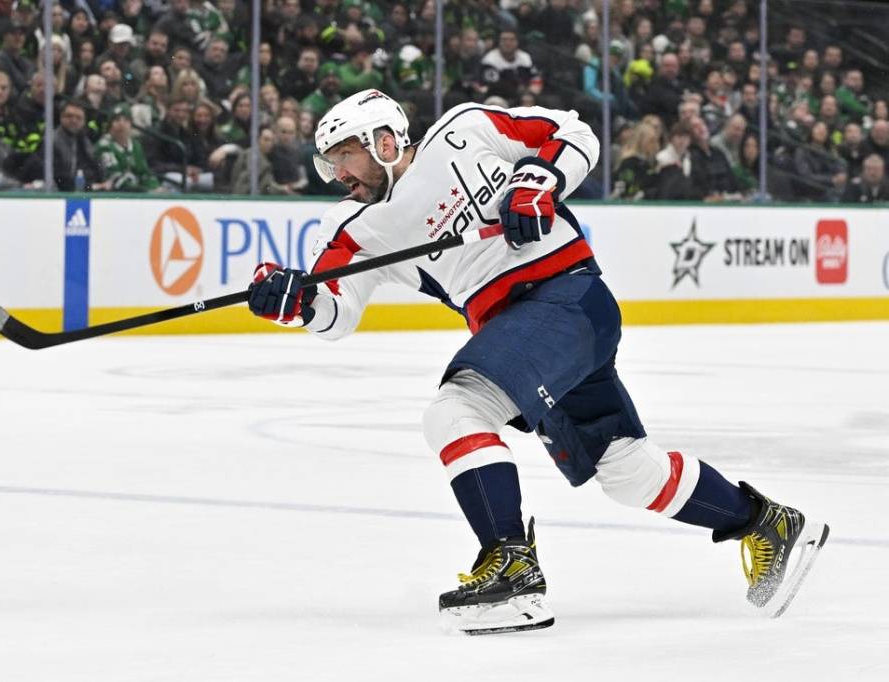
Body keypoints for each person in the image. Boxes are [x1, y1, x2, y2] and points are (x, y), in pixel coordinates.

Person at [243, 90, 830, 634]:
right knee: (627, 472)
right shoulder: (352, 227)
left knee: (457, 410)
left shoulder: (466, 129)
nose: (339, 174)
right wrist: (291, 300)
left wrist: (538, 181)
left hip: (567, 296)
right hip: (531, 335)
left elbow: (572, 133)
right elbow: (334, 310)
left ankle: (511, 567)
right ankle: (767, 523)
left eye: (345, 156)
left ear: (385, 141)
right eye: (331, 164)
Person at [95, 103, 160, 192]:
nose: (121, 124)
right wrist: (146, 191)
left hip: (138, 193)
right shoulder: (104, 146)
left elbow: (144, 172)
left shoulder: (136, 145)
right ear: (110, 125)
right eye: (117, 120)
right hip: (113, 195)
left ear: (131, 124)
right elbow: (114, 177)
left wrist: (155, 187)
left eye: (126, 120)